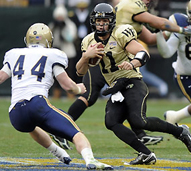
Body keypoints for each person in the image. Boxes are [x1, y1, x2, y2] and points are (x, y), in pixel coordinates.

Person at [76, 3, 191, 165]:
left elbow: (143, 52)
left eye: (105, 21)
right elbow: (80, 72)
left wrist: (132, 63)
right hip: (116, 86)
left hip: (132, 80)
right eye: (98, 21)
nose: (101, 24)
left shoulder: (120, 33)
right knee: (111, 122)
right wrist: (85, 57)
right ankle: (146, 153)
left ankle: (180, 131)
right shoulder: (88, 41)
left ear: (112, 21)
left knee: (139, 121)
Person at [0, 23, 113, 170]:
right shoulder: (53, 54)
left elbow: (1, 77)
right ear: (49, 40)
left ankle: (59, 153)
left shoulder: (13, 54)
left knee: (31, 126)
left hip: (15, 113)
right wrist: (79, 88)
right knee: (76, 133)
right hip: (37, 104)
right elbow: (67, 86)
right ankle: (90, 159)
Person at [156, 0, 191, 125]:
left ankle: (174, 116)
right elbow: (166, 53)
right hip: (187, 77)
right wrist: (158, 33)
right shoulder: (182, 27)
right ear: (189, 13)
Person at [49, 5, 77, 99]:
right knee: (56, 76)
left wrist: (63, 30)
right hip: (56, 54)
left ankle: (70, 96)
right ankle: (56, 96)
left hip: (68, 53)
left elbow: (71, 38)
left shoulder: (69, 25)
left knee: (69, 75)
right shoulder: (53, 25)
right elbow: (49, 39)